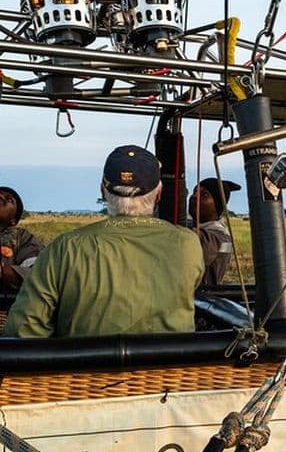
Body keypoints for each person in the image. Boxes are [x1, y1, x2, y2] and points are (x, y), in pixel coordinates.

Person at [4, 145, 204, 338]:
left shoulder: (65, 247)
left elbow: (23, 330)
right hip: (172, 371)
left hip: (82, 371)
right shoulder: (188, 244)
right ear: (159, 194)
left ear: (102, 191)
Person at [189, 177, 241, 287]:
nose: (194, 196)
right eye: (194, 192)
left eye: (204, 195)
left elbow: (186, 239)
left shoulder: (217, 237)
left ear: (217, 206)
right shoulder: (198, 227)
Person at [0, 186, 44, 291]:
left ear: (13, 221)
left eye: (9, 199)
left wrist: (3, 270)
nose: (1, 196)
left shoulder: (23, 238)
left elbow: (38, 274)